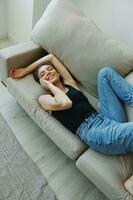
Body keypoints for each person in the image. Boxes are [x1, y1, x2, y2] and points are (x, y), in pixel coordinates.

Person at [9, 53, 133, 195]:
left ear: (56, 71)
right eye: (43, 74)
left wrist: (26, 70)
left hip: (105, 119)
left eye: (50, 70)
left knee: (105, 73)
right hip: (95, 133)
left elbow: (50, 57)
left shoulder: (70, 84)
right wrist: (49, 85)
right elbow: (66, 103)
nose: (48, 73)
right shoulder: (45, 99)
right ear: (42, 83)